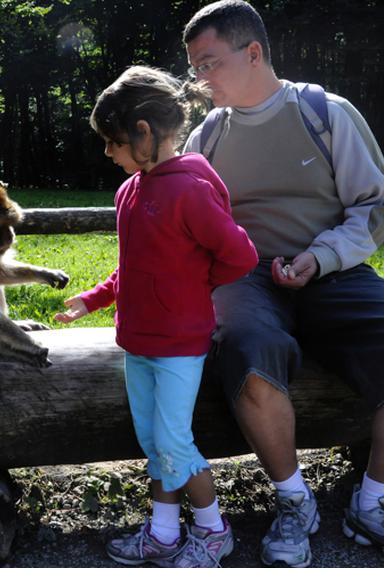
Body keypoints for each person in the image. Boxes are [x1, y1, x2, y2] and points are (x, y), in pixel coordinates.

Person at [180, 2, 384, 568]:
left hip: (332, 267)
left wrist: (321, 257)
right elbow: (188, 221)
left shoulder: (324, 112)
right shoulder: (206, 135)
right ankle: (294, 503)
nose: (199, 80)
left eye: (209, 64)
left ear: (253, 53)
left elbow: (375, 207)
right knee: (249, 352)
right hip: (243, 275)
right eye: (194, 68)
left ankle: (375, 506)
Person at [54, 65, 258, 568]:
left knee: (173, 441)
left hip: (178, 345)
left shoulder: (189, 189)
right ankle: (165, 533)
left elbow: (240, 254)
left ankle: (213, 530)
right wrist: (95, 298)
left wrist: (192, 289)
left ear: (144, 132)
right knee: (153, 441)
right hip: (138, 342)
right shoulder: (131, 190)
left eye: (113, 141)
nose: (108, 153)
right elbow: (134, 266)